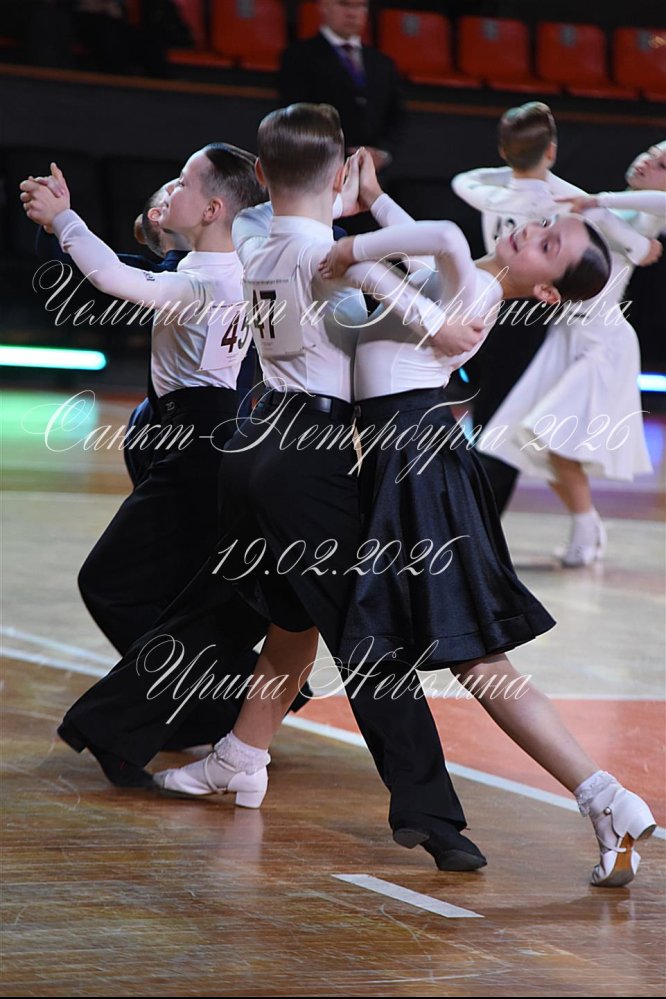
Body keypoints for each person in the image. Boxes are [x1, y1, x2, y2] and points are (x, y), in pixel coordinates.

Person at [147, 104, 491, 873]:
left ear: (259, 174)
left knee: (283, 618)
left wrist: (329, 193)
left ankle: (234, 755)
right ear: (339, 177)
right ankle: (433, 817)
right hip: (307, 456)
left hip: (252, 444)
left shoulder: (252, 235)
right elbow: (410, 288)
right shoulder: (332, 254)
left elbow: (273, 209)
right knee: (370, 642)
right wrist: (441, 325)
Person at [308, 154, 656, 888]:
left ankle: (603, 795)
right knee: (445, 654)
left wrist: (346, 244)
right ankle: (603, 800)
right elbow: (424, 252)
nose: (530, 232)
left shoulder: (474, 293)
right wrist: (376, 201)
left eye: (547, 243)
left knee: (477, 661)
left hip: (418, 468)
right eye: (540, 224)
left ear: (548, 289)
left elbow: (420, 248)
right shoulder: (471, 277)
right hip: (411, 462)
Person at [19, 147, 295, 782]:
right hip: (203, 435)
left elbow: (115, 278)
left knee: (112, 582)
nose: (170, 190)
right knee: (178, 593)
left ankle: (203, 705)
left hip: (199, 445)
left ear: (214, 208)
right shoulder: (236, 265)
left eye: (184, 183)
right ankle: (210, 704)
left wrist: (65, 220)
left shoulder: (211, 280)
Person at [473, 141, 665, 566]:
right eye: (651, 152)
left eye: (662, 165)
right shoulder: (603, 209)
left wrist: (599, 201)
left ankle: (585, 526)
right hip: (566, 335)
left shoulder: (646, 215)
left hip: (602, 343)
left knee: (552, 438)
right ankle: (586, 523)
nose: (648, 161)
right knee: (525, 438)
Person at [451, 102, 590, 513]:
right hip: (528, 316)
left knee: (489, 417)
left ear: (502, 150)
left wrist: (511, 166)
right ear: (552, 150)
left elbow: (463, 180)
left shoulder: (488, 190)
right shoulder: (566, 201)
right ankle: (480, 521)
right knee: (505, 425)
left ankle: (472, 517)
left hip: (486, 303)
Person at [33, 178, 190, 488]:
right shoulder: (150, 277)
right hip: (167, 427)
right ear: (159, 215)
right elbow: (64, 268)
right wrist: (55, 222)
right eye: (180, 185)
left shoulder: (238, 266)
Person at [278, 0, 404, 170]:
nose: (352, 13)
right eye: (344, 4)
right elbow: (296, 113)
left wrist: (382, 153)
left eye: (360, 6)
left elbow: (397, 115)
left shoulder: (382, 63)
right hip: (318, 167)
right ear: (324, 6)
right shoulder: (298, 56)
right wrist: (339, 152)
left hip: (373, 170)